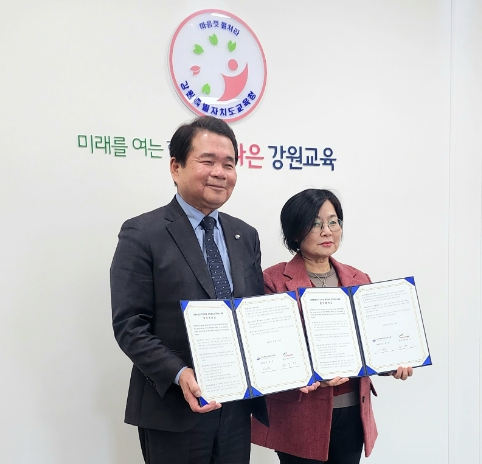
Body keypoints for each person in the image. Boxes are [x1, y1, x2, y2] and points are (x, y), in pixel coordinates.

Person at [110, 115, 267, 464]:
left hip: (235, 408)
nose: (220, 173)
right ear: (175, 167)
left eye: (229, 164)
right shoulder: (142, 233)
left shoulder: (245, 235)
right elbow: (129, 325)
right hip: (172, 408)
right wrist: (180, 373)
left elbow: (255, 314)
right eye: (207, 161)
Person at [251, 188, 412, 464]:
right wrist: (310, 373)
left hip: (352, 411)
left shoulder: (358, 278)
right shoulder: (273, 281)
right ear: (295, 233)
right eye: (315, 223)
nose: (327, 231)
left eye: (333, 221)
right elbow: (265, 351)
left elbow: (372, 341)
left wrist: (391, 361)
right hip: (299, 416)